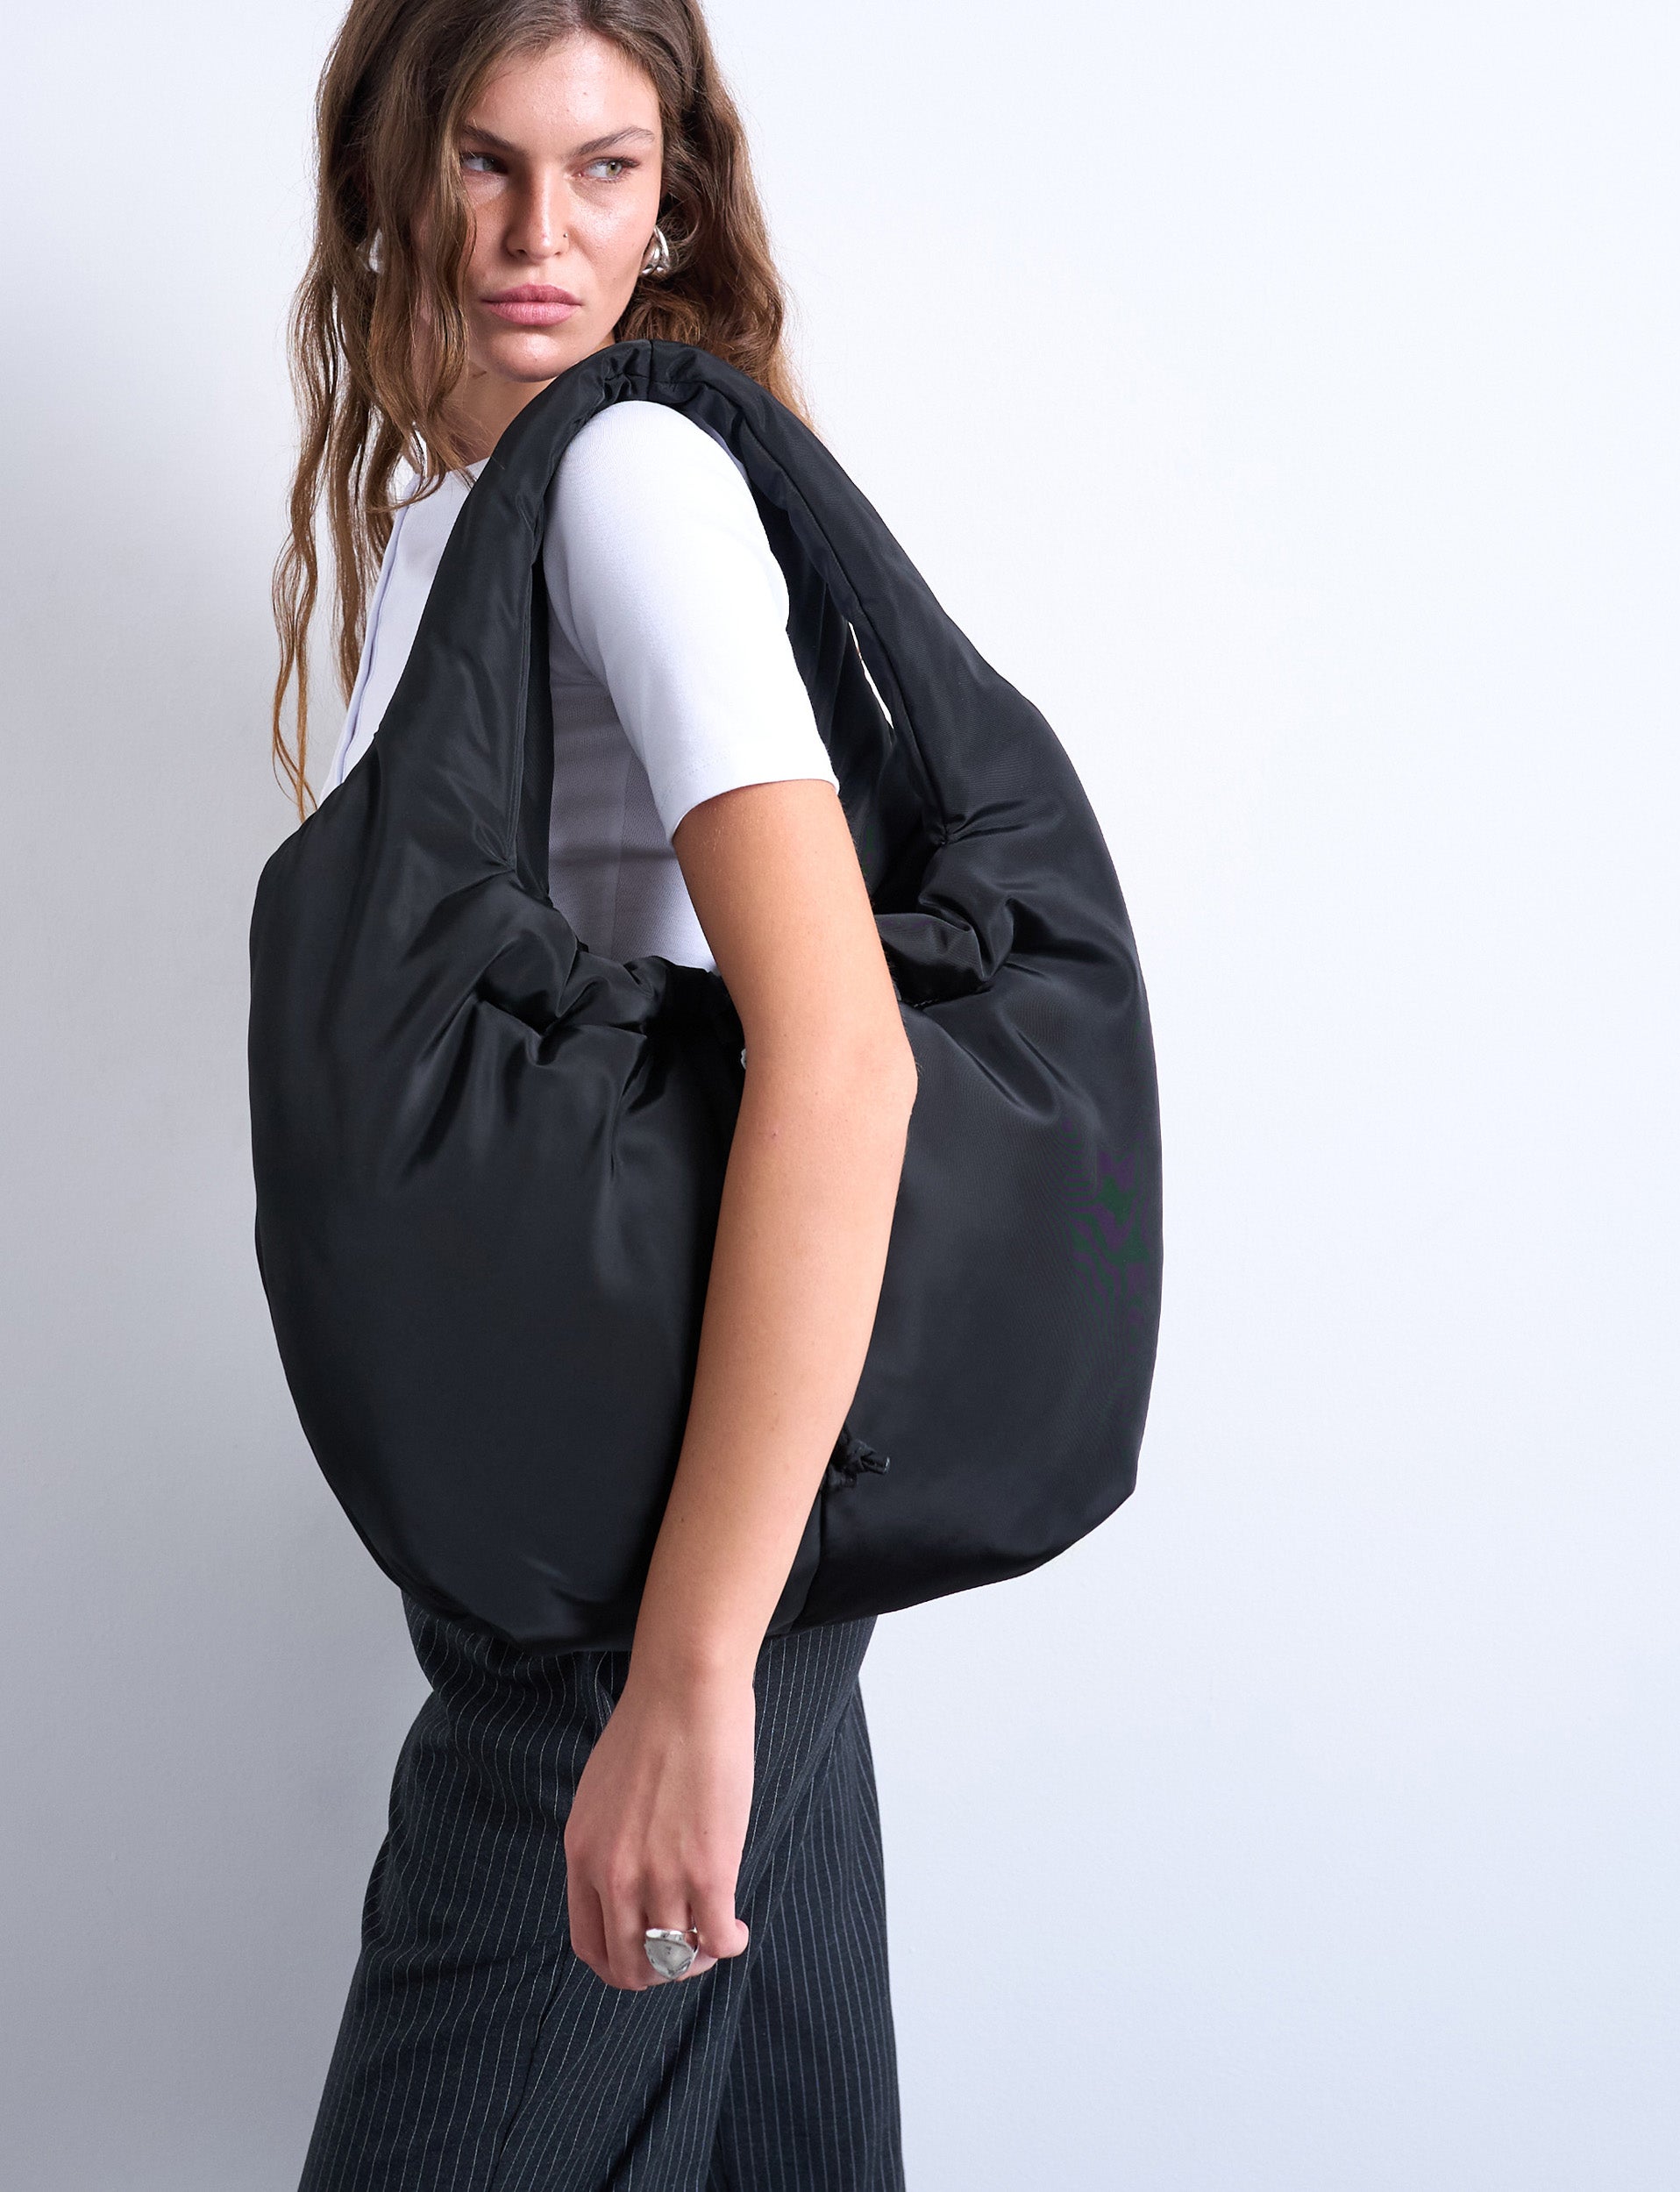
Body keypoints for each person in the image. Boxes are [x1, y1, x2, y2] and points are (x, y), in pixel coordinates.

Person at [268, 4, 917, 2185]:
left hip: (626, 1582)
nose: (538, 232)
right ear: (390, 167)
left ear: (673, 201)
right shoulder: (482, 513)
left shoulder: (629, 484)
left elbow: (841, 1051)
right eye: (484, 161)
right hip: (651, 1531)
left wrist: (685, 1669)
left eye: (604, 169)